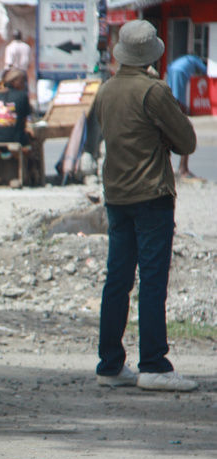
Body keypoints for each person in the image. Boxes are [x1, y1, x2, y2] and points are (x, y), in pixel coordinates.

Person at [92, 20, 198, 392]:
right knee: (153, 282)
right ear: (150, 54)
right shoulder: (154, 91)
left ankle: (109, 364)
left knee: (117, 280)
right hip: (151, 197)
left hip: (117, 197)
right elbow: (186, 141)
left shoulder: (106, 91)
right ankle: (153, 364)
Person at [166, 54, 207, 179]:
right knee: (186, 127)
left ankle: (177, 168)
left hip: (172, 75)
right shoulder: (194, 60)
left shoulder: (179, 63)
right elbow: (205, 70)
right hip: (178, 78)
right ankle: (183, 168)